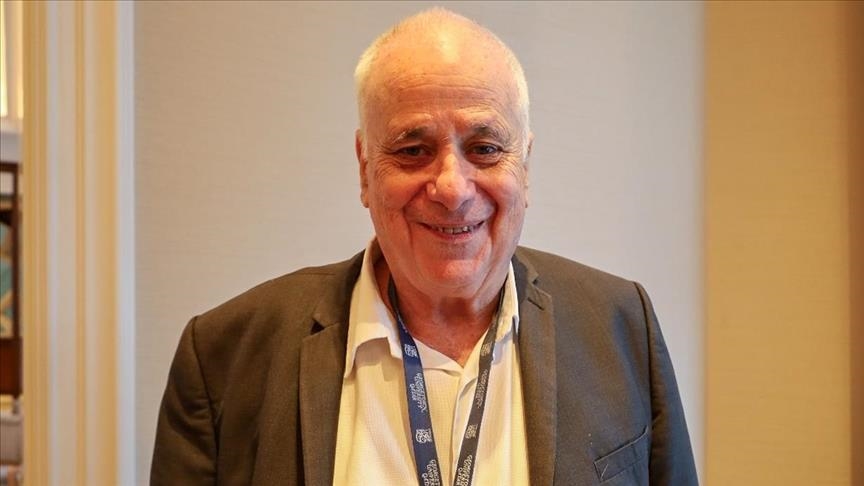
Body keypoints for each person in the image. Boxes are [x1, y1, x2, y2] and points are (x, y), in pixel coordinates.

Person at [151, 8, 698, 486]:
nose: (452, 189)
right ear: (365, 169)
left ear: (525, 167)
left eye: (485, 148)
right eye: (413, 150)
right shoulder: (224, 357)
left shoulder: (622, 328)